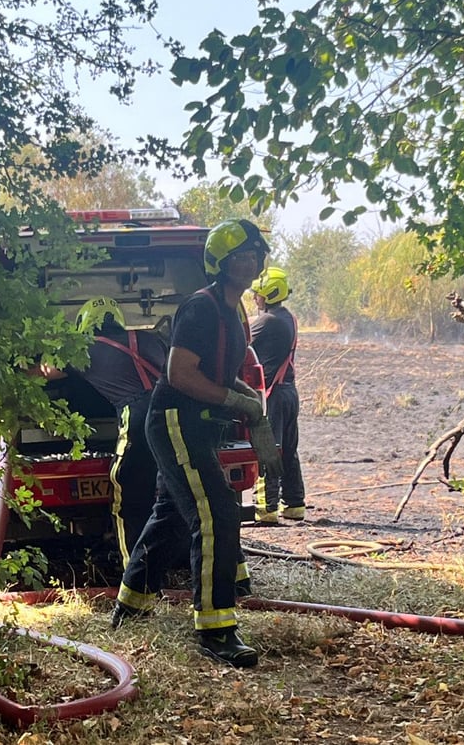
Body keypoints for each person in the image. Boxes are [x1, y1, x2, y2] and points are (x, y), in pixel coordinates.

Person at [110, 219, 282, 669]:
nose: (250, 262)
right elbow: (181, 374)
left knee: (169, 515)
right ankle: (216, 629)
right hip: (175, 420)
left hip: (199, 424)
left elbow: (220, 373)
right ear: (220, 263)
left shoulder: (234, 309)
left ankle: (131, 605)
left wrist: (250, 403)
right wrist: (234, 400)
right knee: (215, 513)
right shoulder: (201, 308)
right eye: (240, 256)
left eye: (255, 255)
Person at [41, 296, 178, 568]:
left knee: (127, 496)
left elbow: (46, 372)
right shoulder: (150, 340)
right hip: (174, 415)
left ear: (84, 324)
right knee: (172, 495)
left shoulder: (84, 348)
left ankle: (135, 574)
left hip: (139, 418)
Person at [249, 267, 306, 523]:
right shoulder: (288, 318)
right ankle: (294, 504)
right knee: (289, 450)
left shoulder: (267, 321)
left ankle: (266, 508)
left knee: (268, 449)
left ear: (269, 294)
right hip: (289, 392)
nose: (254, 298)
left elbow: (241, 342)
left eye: (258, 294)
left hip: (273, 394)